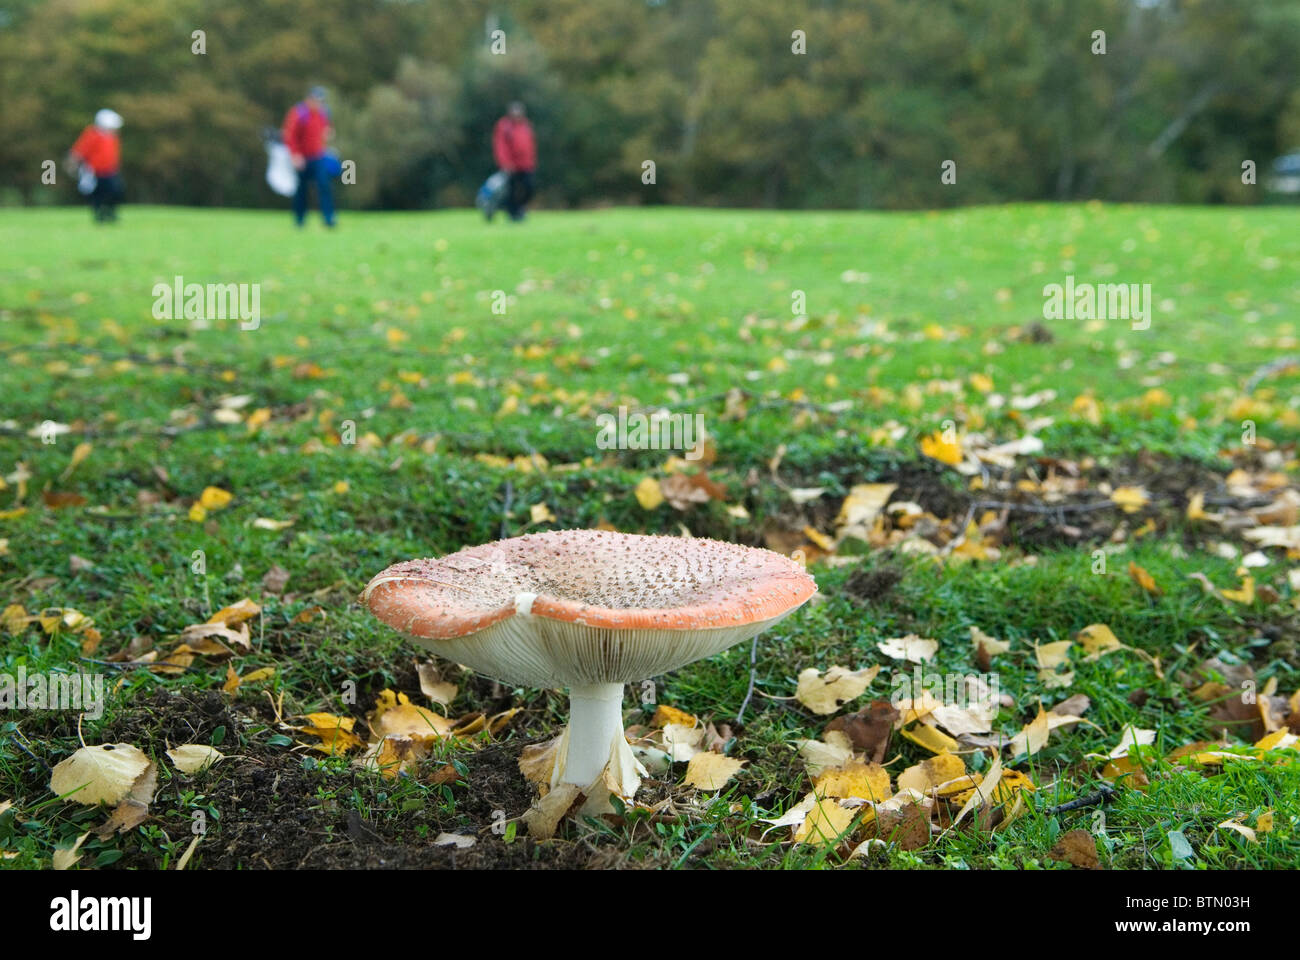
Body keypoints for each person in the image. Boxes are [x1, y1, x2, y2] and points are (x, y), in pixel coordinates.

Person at [282, 86, 336, 227]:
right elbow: (290, 136)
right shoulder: (299, 113)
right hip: (302, 158)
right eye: (316, 100)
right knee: (302, 190)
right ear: (309, 99)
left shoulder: (323, 113)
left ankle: (328, 219)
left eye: (321, 100)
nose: (319, 103)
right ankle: (299, 220)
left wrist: (327, 133)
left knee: (324, 186)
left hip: (318, 156)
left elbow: (326, 130)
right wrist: (295, 155)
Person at [68, 109, 124, 223]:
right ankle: (99, 215)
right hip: (94, 172)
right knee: (96, 195)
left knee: (115, 191)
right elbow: (80, 151)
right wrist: (72, 163)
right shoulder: (92, 135)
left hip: (110, 171)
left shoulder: (113, 137)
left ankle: (110, 213)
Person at [492, 101, 537, 221]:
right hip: (511, 166)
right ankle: (513, 214)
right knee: (511, 191)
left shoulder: (526, 125)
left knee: (529, 187)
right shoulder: (504, 125)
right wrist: (505, 163)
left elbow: (530, 145)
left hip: (526, 165)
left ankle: (520, 209)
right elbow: (500, 146)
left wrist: (531, 161)